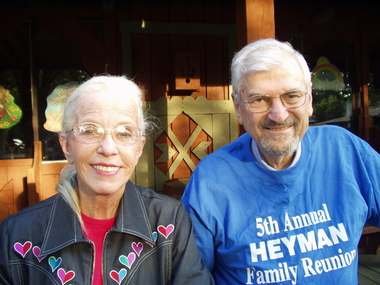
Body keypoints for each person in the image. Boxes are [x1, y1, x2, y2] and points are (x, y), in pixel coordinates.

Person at [181, 38, 380, 284]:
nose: (278, 114)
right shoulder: (211, 179)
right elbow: (190, 277)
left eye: (292, 96)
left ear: (309, 101)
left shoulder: (345, 150)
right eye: (259, 100)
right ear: (239, 108)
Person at [0, 75, 214, 285]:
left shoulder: (169, 220)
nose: (108, 149)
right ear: (67, 146)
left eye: (125, 133)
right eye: (90, 131)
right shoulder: (16, 234)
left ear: (139, 148)